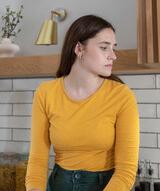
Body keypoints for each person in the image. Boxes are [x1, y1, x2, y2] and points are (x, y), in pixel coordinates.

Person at [26, 15, 139, 191]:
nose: (113, 56)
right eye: (104, 47)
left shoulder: (122, 96)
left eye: (113, 48)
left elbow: (126, 171)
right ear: (79, 48)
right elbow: (37, 160)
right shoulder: (46, 92)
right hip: (58, 185)